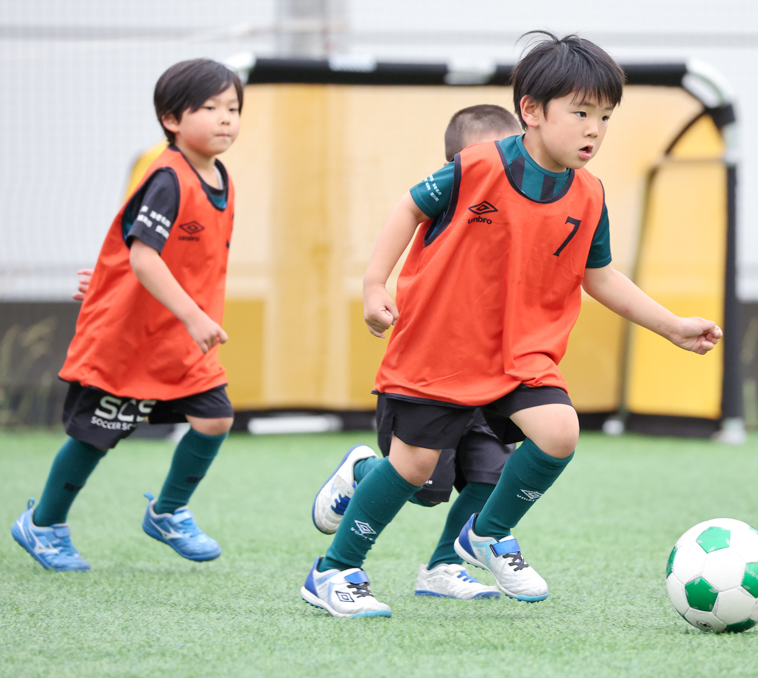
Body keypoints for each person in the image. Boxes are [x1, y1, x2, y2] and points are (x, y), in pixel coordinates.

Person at [300, 32, 723, 619]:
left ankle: (485, 531)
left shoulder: (590, 195)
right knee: (416, 472)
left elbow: (599, 275)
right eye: (581, 113)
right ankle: (334, 570)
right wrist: (376, 284)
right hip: (442, 349)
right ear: (532, 110)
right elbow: (409, 208)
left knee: (559, 432)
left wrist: (671, 326)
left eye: (605, 117)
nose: (595, 130)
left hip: (521, 355)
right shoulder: (476, 167)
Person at [11, 59, 243, 571]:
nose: (226, 118)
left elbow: (154, 257)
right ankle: (44, 523)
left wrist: (110, 281)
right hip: (131, 341)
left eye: (233, 108)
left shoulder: (221, 176)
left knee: (215, 417)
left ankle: (169, 512)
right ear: (171, 119)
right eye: (210, 108)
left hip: (178, 340)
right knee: (95, 437)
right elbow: (143, 256)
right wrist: (192, 315)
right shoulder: (167, 177)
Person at [311, 104, 523, 601]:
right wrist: (374, 283)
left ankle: (444, 566)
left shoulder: (526, 210)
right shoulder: (449, 198)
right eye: (486, 158)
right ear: (455, 167)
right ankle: (363, 472)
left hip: (491, 374)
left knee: (493, 476)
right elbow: (406, 209)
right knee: (424, 485)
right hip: (430, 372)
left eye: (510, 157)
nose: (500, 169)